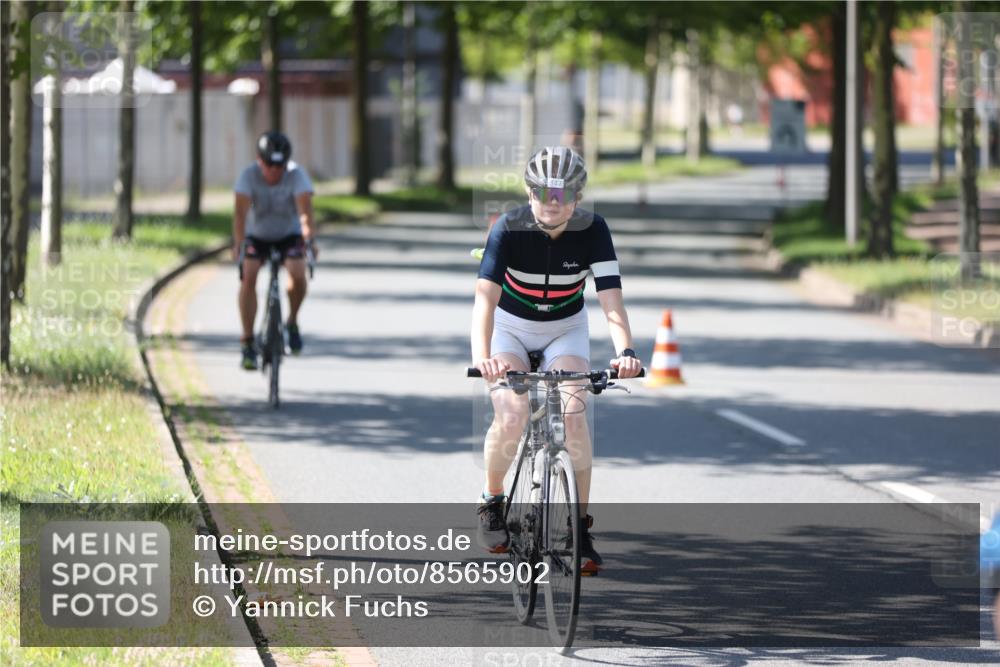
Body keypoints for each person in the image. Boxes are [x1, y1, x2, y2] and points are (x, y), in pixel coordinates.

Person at [471, 145, 642, 574]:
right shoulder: (507, 228)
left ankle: (580, 528)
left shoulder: (594, 230)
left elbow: (611, 304)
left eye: (563, 194)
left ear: (577, 198)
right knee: (511, 416)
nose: (552, 202)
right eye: (543, 193)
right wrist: (484, 359)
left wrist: (626, 352)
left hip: (566, 329)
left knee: (575, 415)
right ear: (529, 194)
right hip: (512, 327)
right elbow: (484, 304)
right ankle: (492, 501)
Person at [233, 131, 316, 370]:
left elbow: (305, 213)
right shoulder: (248, 176)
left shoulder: (296, 175)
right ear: (260, 162)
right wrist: (238, 242)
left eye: (280, 166)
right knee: (248, 274)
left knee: (298, 272)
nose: (275, 171)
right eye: (269, 165)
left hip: (288, 235)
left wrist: (309, 238)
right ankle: (247, 340)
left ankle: (291, 322)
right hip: (257, 235)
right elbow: (239, 214)